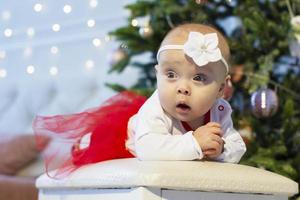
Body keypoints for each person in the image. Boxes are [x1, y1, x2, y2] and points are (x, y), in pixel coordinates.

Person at [33, 23, 246, 178]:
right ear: (157, 74)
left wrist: (221, 149)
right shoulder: (155, 109)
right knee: (94, 143)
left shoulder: (220, 111)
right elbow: (148, 149)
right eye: (171, 74)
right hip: (129, 142)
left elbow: (237, 146)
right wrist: (195, 143)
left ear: (220, 89)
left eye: (199, 78)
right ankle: (84, 142)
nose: (182, 87)